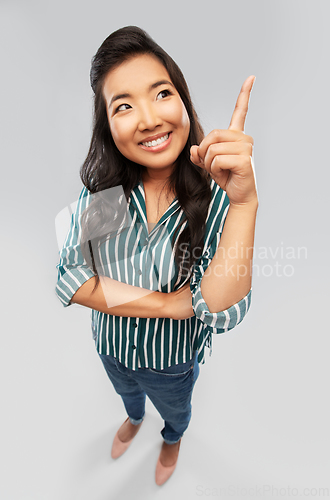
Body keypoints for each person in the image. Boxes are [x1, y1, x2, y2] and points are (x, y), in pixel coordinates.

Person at [55, 26, 258, 486]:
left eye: (160, 93)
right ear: (108, 125)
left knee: (176, 409)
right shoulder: (105, 195)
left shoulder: (218, 196)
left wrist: (245, 204)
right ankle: (132, 418)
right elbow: (69, 277)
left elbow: (218, 309)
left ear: (183, 101)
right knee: (125, 393)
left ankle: (171, 438)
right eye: (123, 105)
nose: (146, 119)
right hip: (110, 345)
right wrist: (168, 304)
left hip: (171, 362)